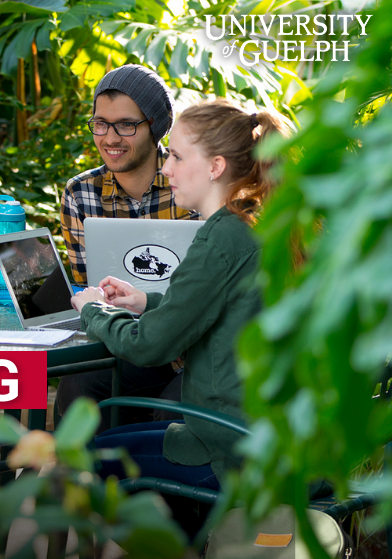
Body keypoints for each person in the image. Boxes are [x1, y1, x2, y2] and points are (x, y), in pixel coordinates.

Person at [68, 99, 290, 494]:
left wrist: (94, 311)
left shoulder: (221, 237)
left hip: (232, 451)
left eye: (176, 156)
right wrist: (146, 302)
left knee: (81, 464)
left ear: (215, 167)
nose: (166, 168)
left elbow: (150, 345)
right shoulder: (263, 223)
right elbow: (223, 312)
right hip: (283, 443)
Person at [57, 64, 197, 428]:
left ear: (156, 126)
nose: (110, 138)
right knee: (79, 384)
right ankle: (84, 482)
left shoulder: (193, 184)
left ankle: (155, 483)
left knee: (173, 414)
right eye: (100, 124)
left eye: (126, 125)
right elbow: (89, 288)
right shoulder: (80, 194)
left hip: (195, 352)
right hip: (125, 343)